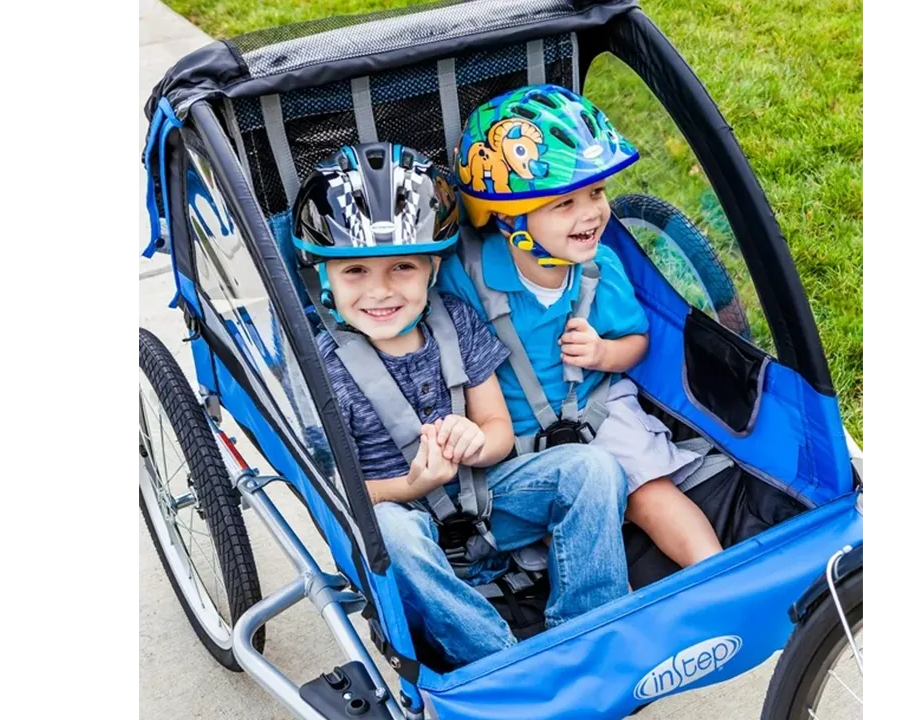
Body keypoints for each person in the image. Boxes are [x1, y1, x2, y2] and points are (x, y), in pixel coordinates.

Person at [291, 141, 630, 667]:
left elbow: (496, 427)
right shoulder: (323, 369)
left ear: (432, 269)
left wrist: (478, 442)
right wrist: (412, 486)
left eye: (402, 268)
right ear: (323, 277)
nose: (380, 291)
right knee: (393, 534)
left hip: (486, 498)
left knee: (594, 469)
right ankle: (501, 663)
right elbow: (335, 490)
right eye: (354, 271)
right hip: (402, 522)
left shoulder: (455, 320)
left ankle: (589, 629)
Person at [439, 85, 725, 571]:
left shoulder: (599, 267)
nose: (592, 212)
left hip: (597, 408)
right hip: (510, 434)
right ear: (506, 215)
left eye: (596, 192)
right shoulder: (466, 275)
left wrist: (603, 355)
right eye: (565, 203)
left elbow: (636, 341)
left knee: (650, 491)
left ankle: (714, 571)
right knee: (550, 526)